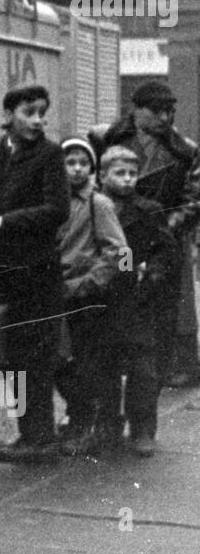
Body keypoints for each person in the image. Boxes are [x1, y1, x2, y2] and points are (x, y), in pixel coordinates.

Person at [0, 84, 70, 464]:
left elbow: (57, 209)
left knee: (37, 353)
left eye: (42, 111)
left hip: (40, 268)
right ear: (9, 114)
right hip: (9, 267)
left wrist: (1, 222)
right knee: (18, 352)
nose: (38, 119)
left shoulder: (49, 154)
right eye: (29, 112)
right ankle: (32, 434)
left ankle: (39, 437)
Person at [92, 81, 200, 387]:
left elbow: (195, 199)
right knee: (124, 290)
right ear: (137, 110)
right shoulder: (107, 138)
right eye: (157, 111)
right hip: (121, 238)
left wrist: (165, 228)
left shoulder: (185, 150)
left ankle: (168, 367)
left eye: (169, 111)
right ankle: (129, 360)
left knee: (168, 303)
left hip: (164, 240)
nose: (165, 118)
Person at [95, 146, 178, 456]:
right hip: (100, 295)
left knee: (143, 367)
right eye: (120, 173)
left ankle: (142, 428)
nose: (128, 180)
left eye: (132, 173)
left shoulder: (147, 209)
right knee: (103, 366)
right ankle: (107, 425)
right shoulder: (94, 208)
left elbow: (165, 249)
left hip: (137, 299)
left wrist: (151, 272)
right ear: (103, 176)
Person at [55, 137, 127, 456]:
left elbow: (120, 252)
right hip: (55, 293)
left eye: (83, 163)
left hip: (86, 297)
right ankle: (77, 417)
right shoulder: (53, 201)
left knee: (87, 363)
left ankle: (90, 425)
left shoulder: (99, 203)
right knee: (60, 363)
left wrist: (92, 282)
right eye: (69, 162)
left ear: (92, 168)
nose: (76, 169)